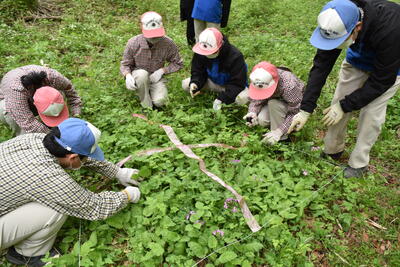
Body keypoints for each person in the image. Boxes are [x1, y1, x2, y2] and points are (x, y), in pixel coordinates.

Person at [0, 118, 141, 266]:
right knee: (55, 209)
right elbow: (95, 206)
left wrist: (117, 172)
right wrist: (127, 195)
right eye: (85, 156)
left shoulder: (36, 138)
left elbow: (81, 157)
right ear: (73, 157)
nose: (87, 160)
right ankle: (26, 254)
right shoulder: (48, 176)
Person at [288, 0, 400, 178]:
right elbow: (320, 67)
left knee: (371, 114)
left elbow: (382, 81)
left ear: (358, 26)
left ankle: (359, 164)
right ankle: (332, 150)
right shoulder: (336, 20)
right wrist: (305, 109)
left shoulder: (391, 27)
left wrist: (345, 105)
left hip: (389, 67)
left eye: (341, 40)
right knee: (337, 101)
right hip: (357, 59)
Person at [120, 11, 183, 109]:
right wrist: (127, 75)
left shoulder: (168, 43)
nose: (154, 38)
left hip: (156, 78)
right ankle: (146, 106)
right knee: (142, 75)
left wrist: (162, 71)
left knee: (161, 102)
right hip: (139, 74)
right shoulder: (133, 43)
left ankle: (150, 91)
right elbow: (125, 64)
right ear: (142, 28)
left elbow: (178, 63)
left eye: (157, 35)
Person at [0, 65, 82, 136]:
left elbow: (72, 94)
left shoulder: (54, 78)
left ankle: (50, 121)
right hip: (10, 104)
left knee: (61, 93)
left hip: (30, 97)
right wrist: (53, 136)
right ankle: (24, 138)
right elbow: (28, 122)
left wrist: (76, 114)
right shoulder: (17, 92)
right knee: (9, 113)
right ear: (35, 104)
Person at [182, 28, 249, 111]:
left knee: (242, 99)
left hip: (231, 86)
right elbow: (198, 70)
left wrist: (222, 99)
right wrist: (195, 82)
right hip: (213, 82)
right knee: (186, 84)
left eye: (211, 53)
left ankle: (230, 106)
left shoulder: (235, 56)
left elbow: (238, 83)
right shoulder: (200, 51)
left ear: (220, 46)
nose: (207, 55)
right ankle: (205, 92)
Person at [243, 62, 304, 145]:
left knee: (273, 103)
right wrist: (252, 112)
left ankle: (283, 140)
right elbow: (256, 98)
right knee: (262, 120)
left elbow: (296, 112)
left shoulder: (289, 86)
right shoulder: (260, 78)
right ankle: (275, 127)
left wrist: (279, 131)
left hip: (292, 105)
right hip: (276, 102)